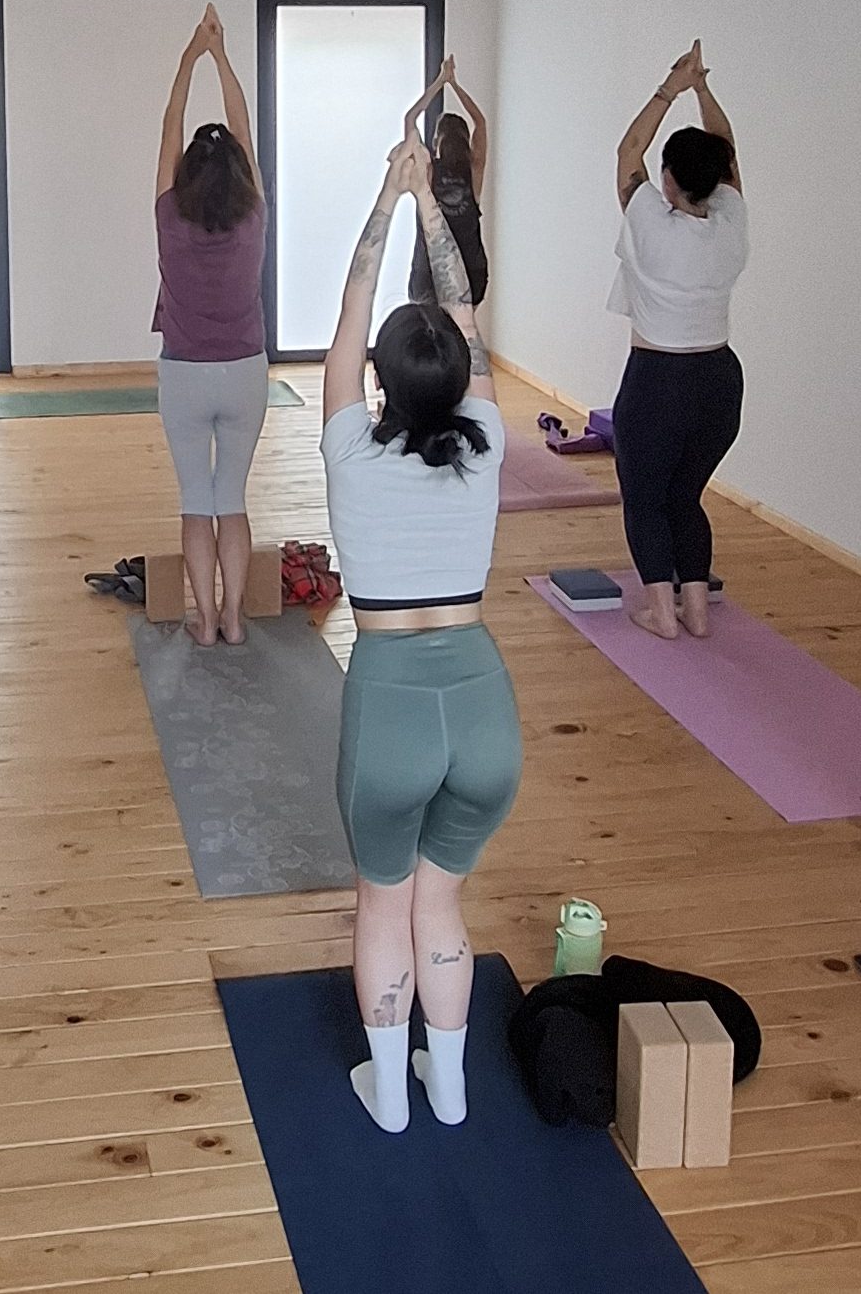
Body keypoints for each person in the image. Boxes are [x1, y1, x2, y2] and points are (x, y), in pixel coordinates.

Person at [324, 135, 520, 1133]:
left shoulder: (350, 452)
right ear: (457, 379)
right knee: (439, 904)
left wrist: (388, 194)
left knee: (382, 903)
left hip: (391, 701)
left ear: (379, 380)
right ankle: (449, 1088)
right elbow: (464, 313)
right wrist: (437, 211)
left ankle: (392, 1096)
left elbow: (350, 313)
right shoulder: (485, 444)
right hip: (483, 706)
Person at [608, 40, 750, 639]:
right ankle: (696, 610)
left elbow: (627, 152)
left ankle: (662, 614)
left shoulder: (649, 219)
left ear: (666, 179)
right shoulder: (731, 221)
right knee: (685, 496)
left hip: (658, 381)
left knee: (645, 499)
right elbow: (728, 151)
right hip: (719, 381)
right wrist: (704, 90)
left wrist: (673, 86)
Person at [154, 4, 271, 646]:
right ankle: (233, 619)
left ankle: (202, 621)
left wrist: (189, 58)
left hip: (185, 378)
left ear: (186, 174)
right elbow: (242, 128)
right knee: (233, 500)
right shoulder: (254, 215)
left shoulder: (169, 214)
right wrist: (222, 56)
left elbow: (170, 124)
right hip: (246, 374)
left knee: (196, 502)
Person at [403, 53, 490, 307]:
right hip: (470, 273)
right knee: (461, 329)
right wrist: (454, 84)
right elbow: (480, 122)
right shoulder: (473, 171)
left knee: (431, 328)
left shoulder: (428, 172)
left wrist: (441, 81)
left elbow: (410, 119)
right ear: (464, 140)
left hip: (430, 273)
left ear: (437, 141)